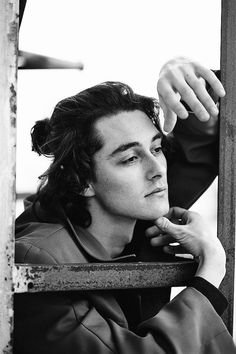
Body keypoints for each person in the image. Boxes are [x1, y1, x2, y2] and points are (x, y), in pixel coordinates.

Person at [14, 57, 236, 353]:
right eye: (130, 158)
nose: (156, 168)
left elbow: (208, 134)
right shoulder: (37, 258)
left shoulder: (135, 215)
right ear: (82, 181)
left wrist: (184, 76)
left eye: (156, 148)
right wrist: (210, 271)